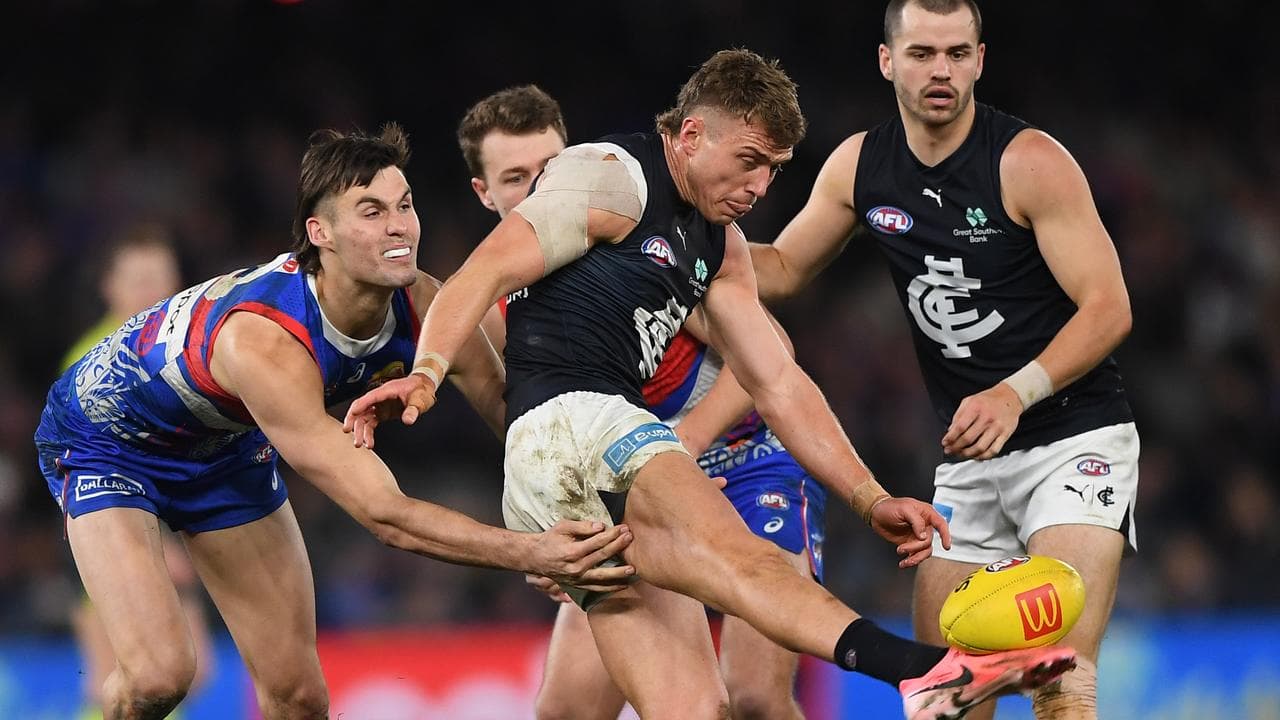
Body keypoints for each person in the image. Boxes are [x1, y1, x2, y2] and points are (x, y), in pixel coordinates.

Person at [348, 50, 1075, 720]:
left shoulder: (719, 246)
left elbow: (778, 379)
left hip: (582, 467)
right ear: (692, 135)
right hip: (587, 425)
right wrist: (425, 374)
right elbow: (481, 273)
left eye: (775, 169)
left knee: (696, 709)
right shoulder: (609, 174)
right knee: (744, 568)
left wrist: (871, 497)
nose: (761, 186)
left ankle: (925, 675)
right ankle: (923, 672)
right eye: (750, 161)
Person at [34, 124, 635, 720]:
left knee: (300, 699)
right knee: (160, 677)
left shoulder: (424, 302)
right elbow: (387, 516)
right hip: (108, 443)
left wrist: (586, 509)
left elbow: (513, 413)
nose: (398, 225)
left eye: (404, 206)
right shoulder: (265, 344)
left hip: (223, 446)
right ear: (320, 234)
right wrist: (534, 552)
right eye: (371, 212)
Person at [747, 2, 1138, 718]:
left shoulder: (1028, 162)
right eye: (923, 53)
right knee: (948, 697)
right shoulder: (861, 166)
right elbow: (778, 269)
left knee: (1063, 681)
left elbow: (1109, 306)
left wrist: (1015, 393)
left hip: (1074, 440)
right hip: (970, 463)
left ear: (980, 61)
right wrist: (676, 234)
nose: (941, 71)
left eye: (958, 54)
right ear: (887, 61)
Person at [457, 84, 828, 720]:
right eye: (514, 178)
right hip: (637, 497)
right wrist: (556, 531)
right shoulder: (495, 318)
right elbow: (537, 436)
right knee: (566, 711)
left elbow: (772, 357)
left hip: (746, 464)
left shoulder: (628, 238)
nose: (536, 187)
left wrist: (686, 444)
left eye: (548, 168)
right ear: (484, 194)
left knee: (757, 698)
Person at [60, 228, 215, 720]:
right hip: (108, 531)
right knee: (131, 678)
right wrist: (163, 546)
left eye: (162, 279)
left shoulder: (186, 351)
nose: (153, 292)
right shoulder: (92, 364)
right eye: (139, 279)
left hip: (174, 528)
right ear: (110, 287)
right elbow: (87, 473)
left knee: (192, 673)